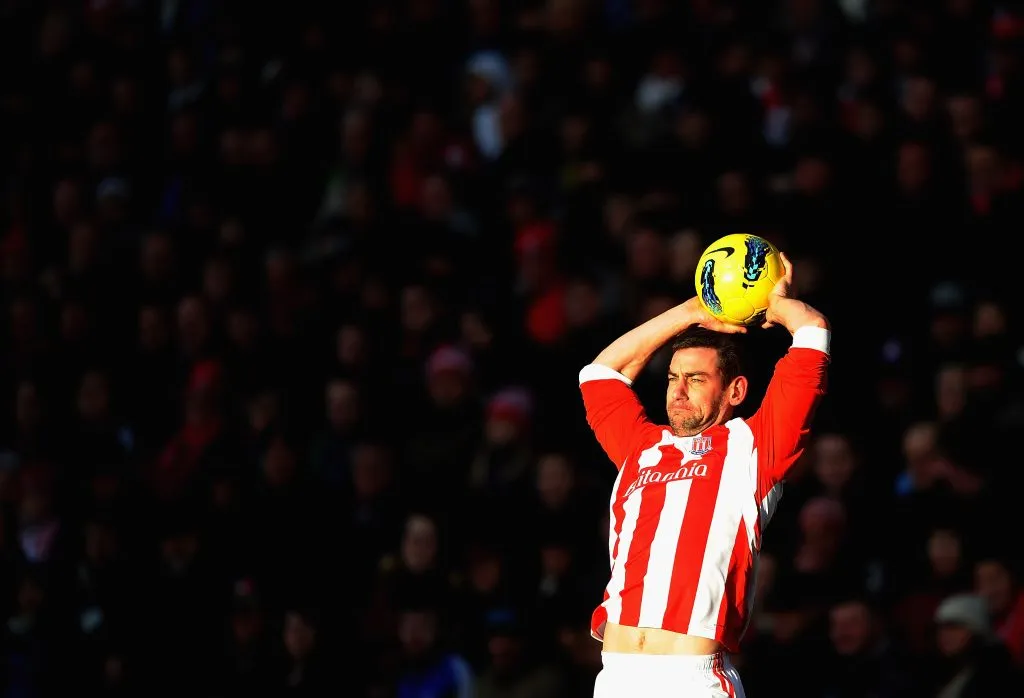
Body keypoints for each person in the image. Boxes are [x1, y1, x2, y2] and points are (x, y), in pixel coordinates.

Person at [579, 253, 830, 697]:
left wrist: (772, 303)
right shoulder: (642, 445)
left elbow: (811, 333)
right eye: (674, 377)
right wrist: (693, 310)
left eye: (695, 378)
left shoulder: (753, 448)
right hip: (615, 677)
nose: (678, 389)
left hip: (692, 680)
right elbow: (601, 373)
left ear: (735, 390)